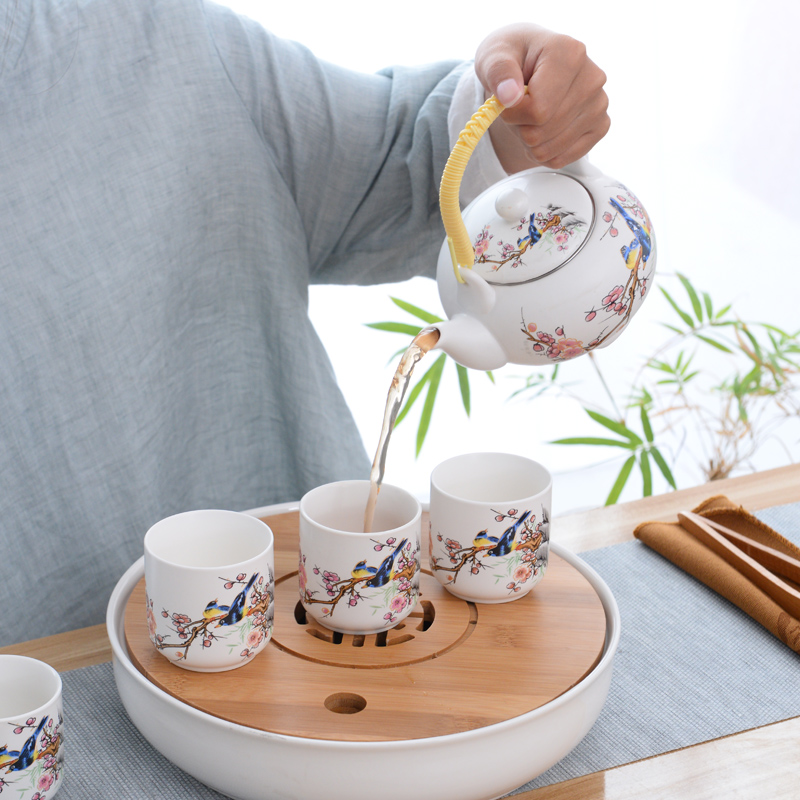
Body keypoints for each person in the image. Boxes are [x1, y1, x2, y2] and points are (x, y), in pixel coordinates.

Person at [0, 0, 608, 646]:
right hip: (51, 702)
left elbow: (415, 161)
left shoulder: (153, 39)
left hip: (311, 661)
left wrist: (522, 113)